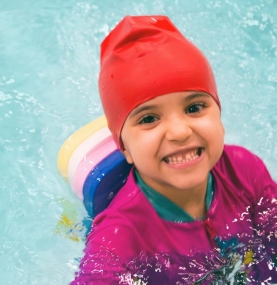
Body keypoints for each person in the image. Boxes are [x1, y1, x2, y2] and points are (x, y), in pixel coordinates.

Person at [71, 15, 277, 284]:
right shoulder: (119, 237)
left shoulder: (245, 170)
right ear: (126, 148)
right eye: (149, 119)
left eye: (194, 108)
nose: (180, 132)